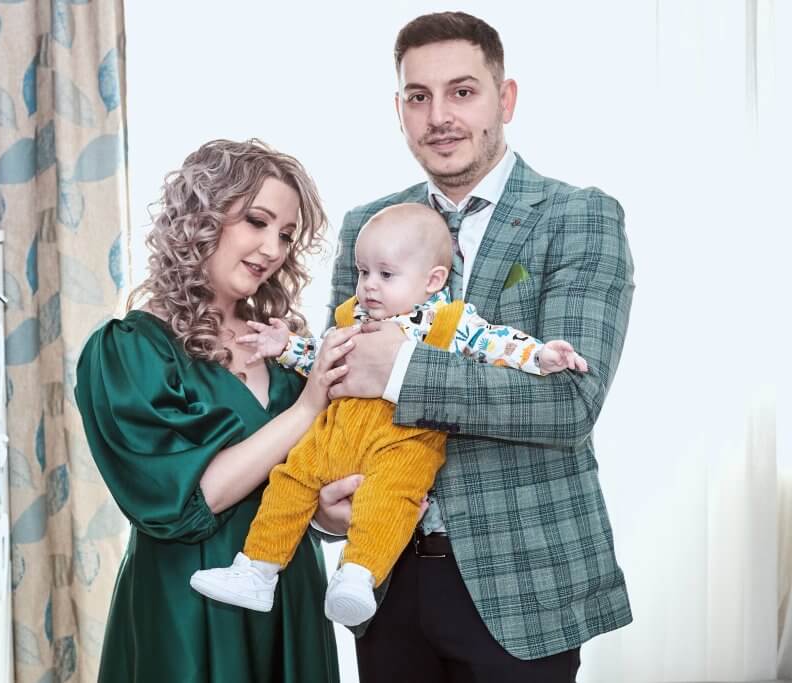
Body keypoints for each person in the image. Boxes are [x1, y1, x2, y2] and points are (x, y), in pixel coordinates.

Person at [313, 11, 635, 682]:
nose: (439, 117)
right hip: (385, 579)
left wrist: (399, 370)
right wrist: (321, 504)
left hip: (525, 586)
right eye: (418, 96)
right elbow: (336, 386)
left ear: (504, 98)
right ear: (399, 110)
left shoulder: (578, 216)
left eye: (462, 91)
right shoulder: (367, 227)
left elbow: (569, 404)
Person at [191, 202, 588, 628]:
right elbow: (325, 360)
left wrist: (540, 355)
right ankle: (257, 570)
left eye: (385, 274)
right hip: (338, 433)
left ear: (432, 280)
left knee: (389, 499)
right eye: (363, 273)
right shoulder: (353, 316)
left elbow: (496, 343)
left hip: (405, 439)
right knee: (290, 479)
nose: (369, 286)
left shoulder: (451, 322)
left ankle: (358, 575)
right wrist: (287, 347)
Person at [73, 139, 348, 683]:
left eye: (286, 234)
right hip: (188, 607)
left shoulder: (284, 345)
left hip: (289, 594)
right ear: (201, 217)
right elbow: (194, 499)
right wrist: (308, 407)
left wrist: (331, 516)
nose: (272, 248)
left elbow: (304, 480)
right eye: (257, 221)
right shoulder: (130, 350)